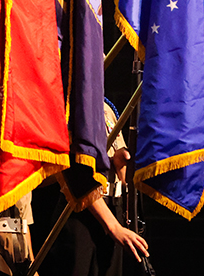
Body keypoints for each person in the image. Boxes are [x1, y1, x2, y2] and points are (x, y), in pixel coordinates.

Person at [42, 99, 149, 276]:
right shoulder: (69, 104)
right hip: (83, 211)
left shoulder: (106, 105)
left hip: (114, 208)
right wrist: (113, 226)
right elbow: (76, 175)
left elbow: (119, 165)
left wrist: (121, 160)